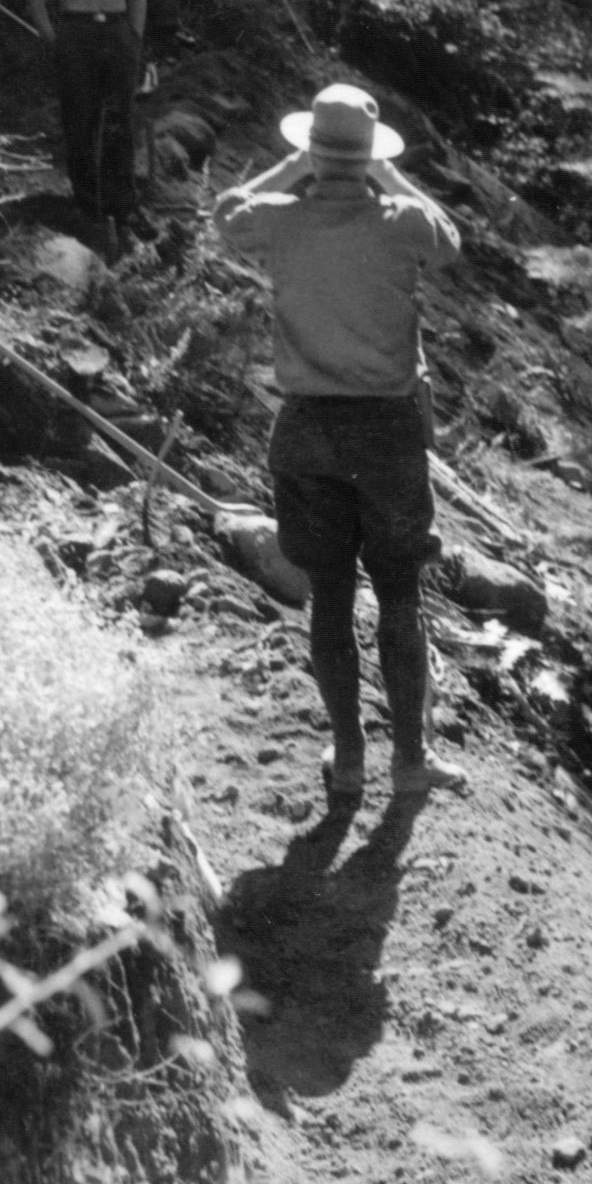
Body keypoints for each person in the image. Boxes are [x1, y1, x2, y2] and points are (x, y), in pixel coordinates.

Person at [214, 83, 467, 802]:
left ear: (312, 149)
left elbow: (226, 213)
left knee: (329, 595)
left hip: (307, 428)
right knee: (398, 593)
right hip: (387, 432)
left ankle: (349, 757)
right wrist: (385, 175)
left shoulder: (281, 221)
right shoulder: (400, 222)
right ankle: (410, 760)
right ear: (370, 157)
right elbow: (450, 239)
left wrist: (297, 165)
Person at [23, 0, 147, 241]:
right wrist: (51, 36)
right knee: (81, 119)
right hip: (76, 31)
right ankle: (89, 207)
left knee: (120, 120)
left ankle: (124, 207)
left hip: (118, 29)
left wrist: (134, 35)